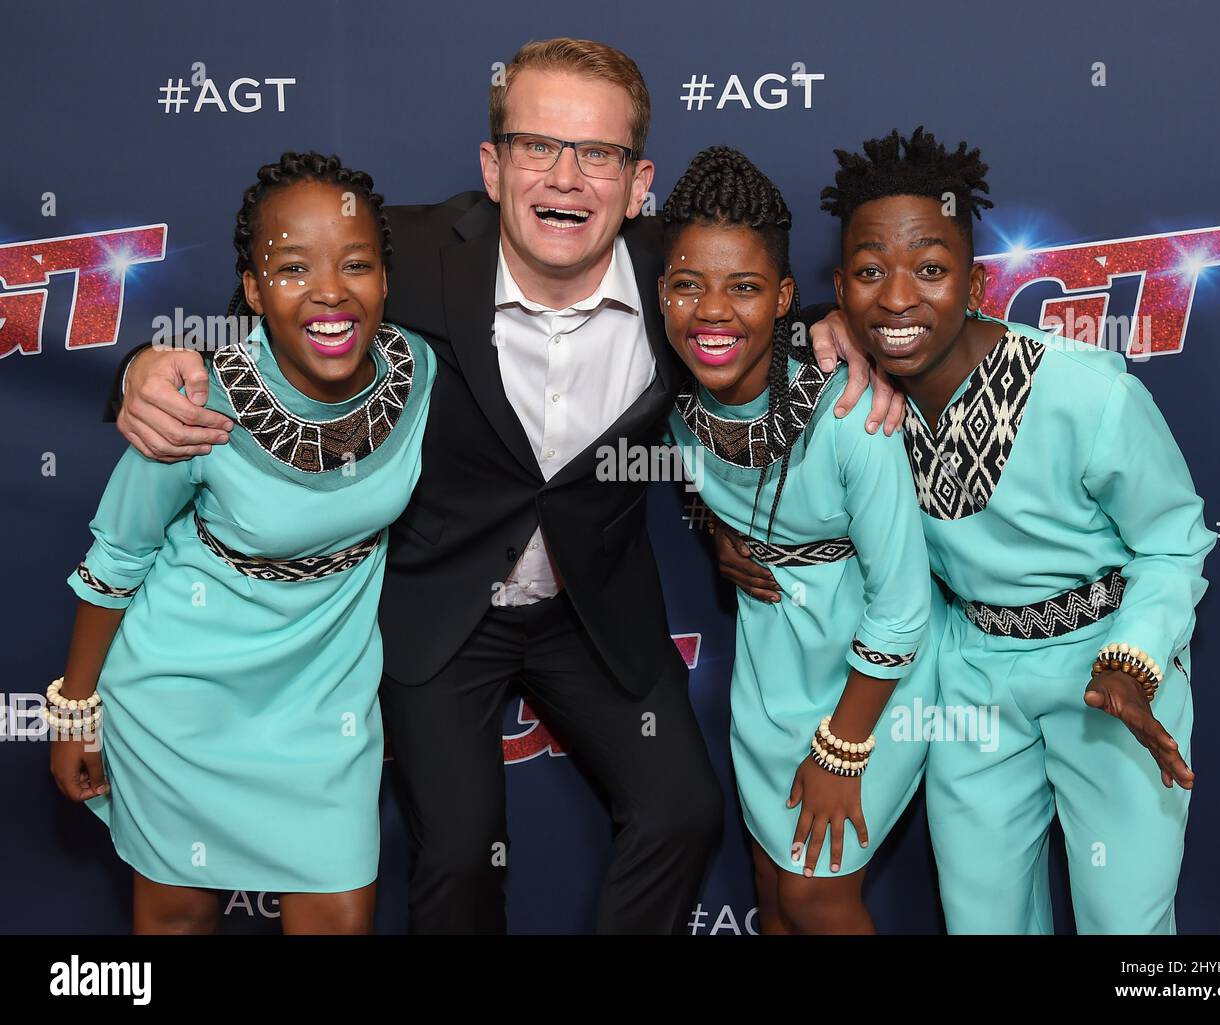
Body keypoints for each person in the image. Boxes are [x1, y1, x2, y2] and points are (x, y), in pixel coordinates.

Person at [102, 40, 904, 935]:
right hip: (441, 605)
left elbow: (754, 327)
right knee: (454, 851)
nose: (566, 176)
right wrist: (144, 364)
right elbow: (281, 303)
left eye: (597, 153)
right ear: (494, 165)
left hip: (590, 605)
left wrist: (839, 329)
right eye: (537, 145)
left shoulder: (677, 279)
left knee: (684, 811)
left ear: (640, 183)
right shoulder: (394, 251)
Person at [722, 127, 1215, 934]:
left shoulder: (1085, 393)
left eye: (931, 269)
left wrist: (1136, 659)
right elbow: (725, 391)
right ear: (840, 287)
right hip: (969, 678)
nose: (899, 298)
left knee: (1123, 922)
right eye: (872, 273)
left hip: (1108, 669)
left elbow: (1175, 539)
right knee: (982, 917)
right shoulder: (847, 395)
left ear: (976, 280)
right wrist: (718, 525)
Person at [52, 152, 434, 934]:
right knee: (178, 921)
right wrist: (74, 714)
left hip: (325, 712)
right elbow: (116, 561)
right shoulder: (192, 402)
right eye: (293, 268)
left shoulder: (418, 371)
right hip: (183, 703)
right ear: (255, 291)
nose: (331, 291)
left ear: (386, 280)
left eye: (356, 264)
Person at [661, 147, 939, 934]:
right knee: (773, 888)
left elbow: (903, 609)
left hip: (871, 680)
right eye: (689, 284)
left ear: (785, 296)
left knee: (817, 895)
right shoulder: (674, 401)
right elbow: (724, 481)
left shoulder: (854, 412)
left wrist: (842, 747)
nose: (713, 311)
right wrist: (721, 531)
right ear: (662, 292)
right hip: (770, 667)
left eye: (744, 287)